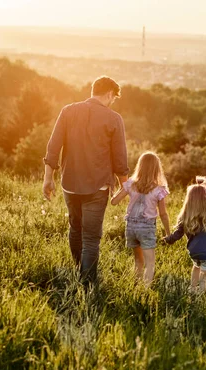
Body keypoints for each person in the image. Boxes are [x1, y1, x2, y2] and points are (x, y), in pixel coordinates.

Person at [42, 76, 129, 285]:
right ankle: (88, 285)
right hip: (97, 187)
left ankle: (78, 271)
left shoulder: (67, 111)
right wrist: (126, 186)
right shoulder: (114, 118)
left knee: (75, 229)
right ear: (109, 94)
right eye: (113, 98)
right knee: (90, 238)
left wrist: (48, 179)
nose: (112, 103)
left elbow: (53, 147)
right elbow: (120, 159)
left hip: (70, 183)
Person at [111, 152, 171, 286]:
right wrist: (168, 233)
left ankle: (136, 285)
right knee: (150, 263)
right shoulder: (159, 189)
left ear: (140, 166)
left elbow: (114, 202)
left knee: (138, 261)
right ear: (157, 169)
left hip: (131, 227)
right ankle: (145, 290)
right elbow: (163, 214)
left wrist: (116, 190)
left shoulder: (130, 184)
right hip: (147, 228)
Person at [165, 176, 206, 293]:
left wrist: (169, 239)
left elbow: (178, 234)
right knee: (205, 272)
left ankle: (192, 288)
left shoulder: (186, 214)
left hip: (194, 251)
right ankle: (201, 292)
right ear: (205, 198)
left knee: (196, 267)